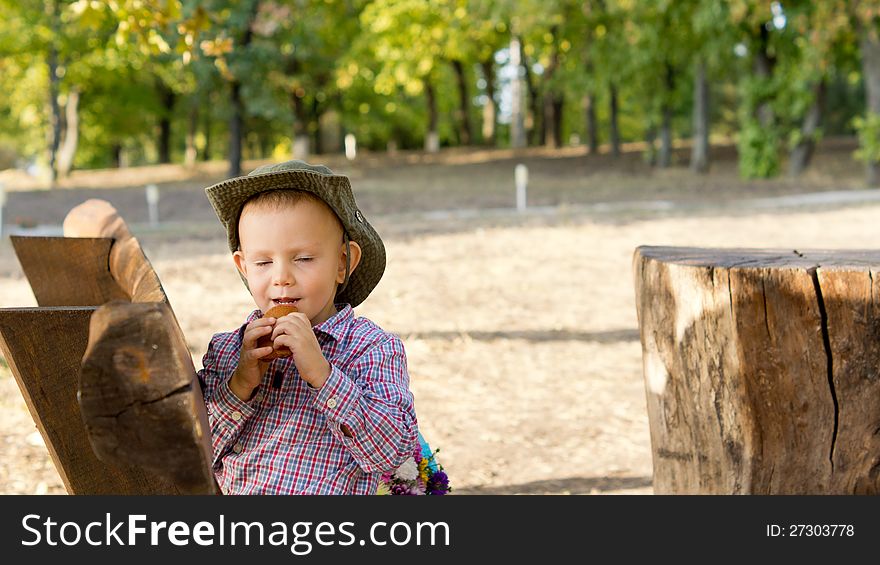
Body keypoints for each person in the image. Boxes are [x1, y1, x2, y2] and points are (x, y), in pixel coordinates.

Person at [198, 160, 418, 494]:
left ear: (342, 263)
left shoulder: (371, 348)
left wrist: (324, 375)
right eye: (263, 262)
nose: (281, 276)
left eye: (303, 258)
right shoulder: (228, 352)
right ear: (243, 267)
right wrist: (240, 383)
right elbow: (193, 454)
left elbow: (395, 453)